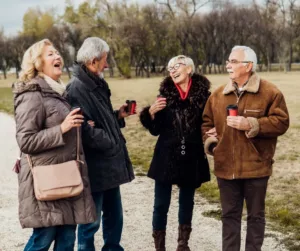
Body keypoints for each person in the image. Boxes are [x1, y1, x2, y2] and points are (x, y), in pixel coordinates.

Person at [202, 45, 289, 251]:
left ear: (248, 66)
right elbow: (206, 124)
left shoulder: (270, 92)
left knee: (256, 216)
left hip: (256, 167)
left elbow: (281, 122)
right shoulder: (217, 96)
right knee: (229, 216)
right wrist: (213, 144)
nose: (228, 65)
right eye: (228, 61)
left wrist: (251, 124)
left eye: (233, 61)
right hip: (226, 168)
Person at [12, 39, 96, 251]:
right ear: (38, 63)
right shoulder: (31, 94)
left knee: (67, 239)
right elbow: (25, 140)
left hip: (67, 177)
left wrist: (79, 126)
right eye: (50, 54)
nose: (57, 56)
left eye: (57, 52)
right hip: (47, 179)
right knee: (42, 239)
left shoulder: (59, 93)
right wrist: (63, 128)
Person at [66, 37, 135, 251]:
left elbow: (99, 122)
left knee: (115, 215)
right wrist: (109, 140)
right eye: (104, 60)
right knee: (90, 221)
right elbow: (83, 129)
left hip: (109, 164)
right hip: (94, 167)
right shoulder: (76, 88)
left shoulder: (96, 83)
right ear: (93, 60)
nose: (107, 65)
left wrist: (118, 116)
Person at [139, 55, 211, 251]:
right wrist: (151, 113)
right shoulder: (164, 95)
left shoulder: (204, 95)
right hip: (166, 156)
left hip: (192, 155)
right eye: (169, 67)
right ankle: (159, 247)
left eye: (177, 66)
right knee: (161, 204)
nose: (172, 70)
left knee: (187, 202)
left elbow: (209, 123)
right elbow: (155, 130)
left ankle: (182, 244)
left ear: (189, 69)